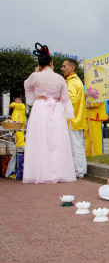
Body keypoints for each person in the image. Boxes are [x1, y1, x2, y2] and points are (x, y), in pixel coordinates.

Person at [23, 43, 76, 184]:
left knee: (40, 138)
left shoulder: (35, 76)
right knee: (57, 139)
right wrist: (69, 113)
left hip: (40, 106)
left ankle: (40, 171)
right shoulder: (59, 78)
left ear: (39, 63)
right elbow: (65, 98)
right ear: (51, 63)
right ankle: (60, 171)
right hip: (57, 107)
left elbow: (26, 85)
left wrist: (33, 97)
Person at [62, 58, 87, 178]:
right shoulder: (76, 81)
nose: (62, 69)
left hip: (72, 118)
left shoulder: (71, 82)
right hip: (77, 118)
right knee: (78, 145)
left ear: (72, 68)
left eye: (64, 66)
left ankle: (78, 171)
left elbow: (69, 100)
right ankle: (81, 169)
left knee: (74, 146)